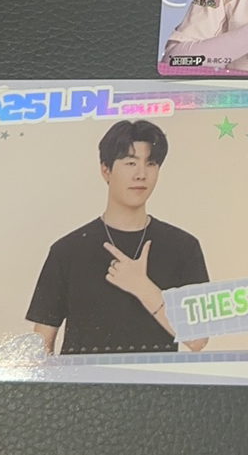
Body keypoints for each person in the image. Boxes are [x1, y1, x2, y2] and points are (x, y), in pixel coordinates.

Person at [26, 119, 209, 355]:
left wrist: (142, 287)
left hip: (156, 379)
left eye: (150, 163)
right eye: (130, 163)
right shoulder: (67, 250)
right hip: (84, 380)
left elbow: (198, 340)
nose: (141, 174)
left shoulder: (183, 247)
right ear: (106, 170)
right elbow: (41, 346)